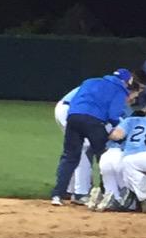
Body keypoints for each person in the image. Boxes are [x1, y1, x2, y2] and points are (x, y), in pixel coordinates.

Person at [51, 69, 141, 205]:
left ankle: (57, 194)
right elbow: (113, 115)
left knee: (69, 156)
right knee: (105, 156)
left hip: (73, 117)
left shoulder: (90, 81)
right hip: (93, 121)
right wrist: (122, 128)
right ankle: (110, 193)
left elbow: (76, 100)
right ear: (128, 81)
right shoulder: (120, 89)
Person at [96, 106, 146, 211]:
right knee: (136, 187)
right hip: (142, 161)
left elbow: (116, 135)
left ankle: (111, 198)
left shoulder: (131, 120)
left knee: (116, 186)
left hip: (120, 156)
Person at [53, 83, 91, 203]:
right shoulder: (112, 91)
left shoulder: (101, 85)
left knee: (76, 149)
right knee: (83, 147)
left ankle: (69, 189)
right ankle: (80, 193)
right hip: (69, 110)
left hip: (65, 108)